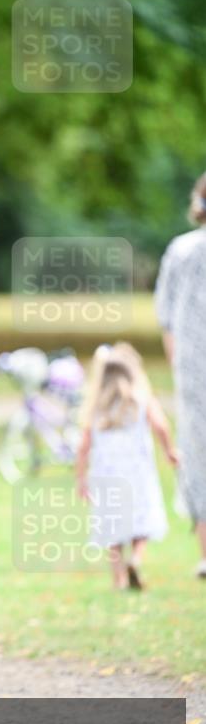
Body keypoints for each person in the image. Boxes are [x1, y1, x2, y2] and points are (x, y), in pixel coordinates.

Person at [76, 342, 178, 590]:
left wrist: (81, 478)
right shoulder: (142, 399)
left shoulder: (97, 405)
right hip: (138, 472)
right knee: (140, 519)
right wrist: (170, 451)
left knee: (114, 525)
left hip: (106, 474)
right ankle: (137, 558)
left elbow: (83, 445)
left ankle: (118, 577)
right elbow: (161, 426)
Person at [154, 171, 206, 580]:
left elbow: (166, 318)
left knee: (196, 452)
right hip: (192, 366)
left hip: (191, 368)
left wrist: (178, 367)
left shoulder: (180, 250)